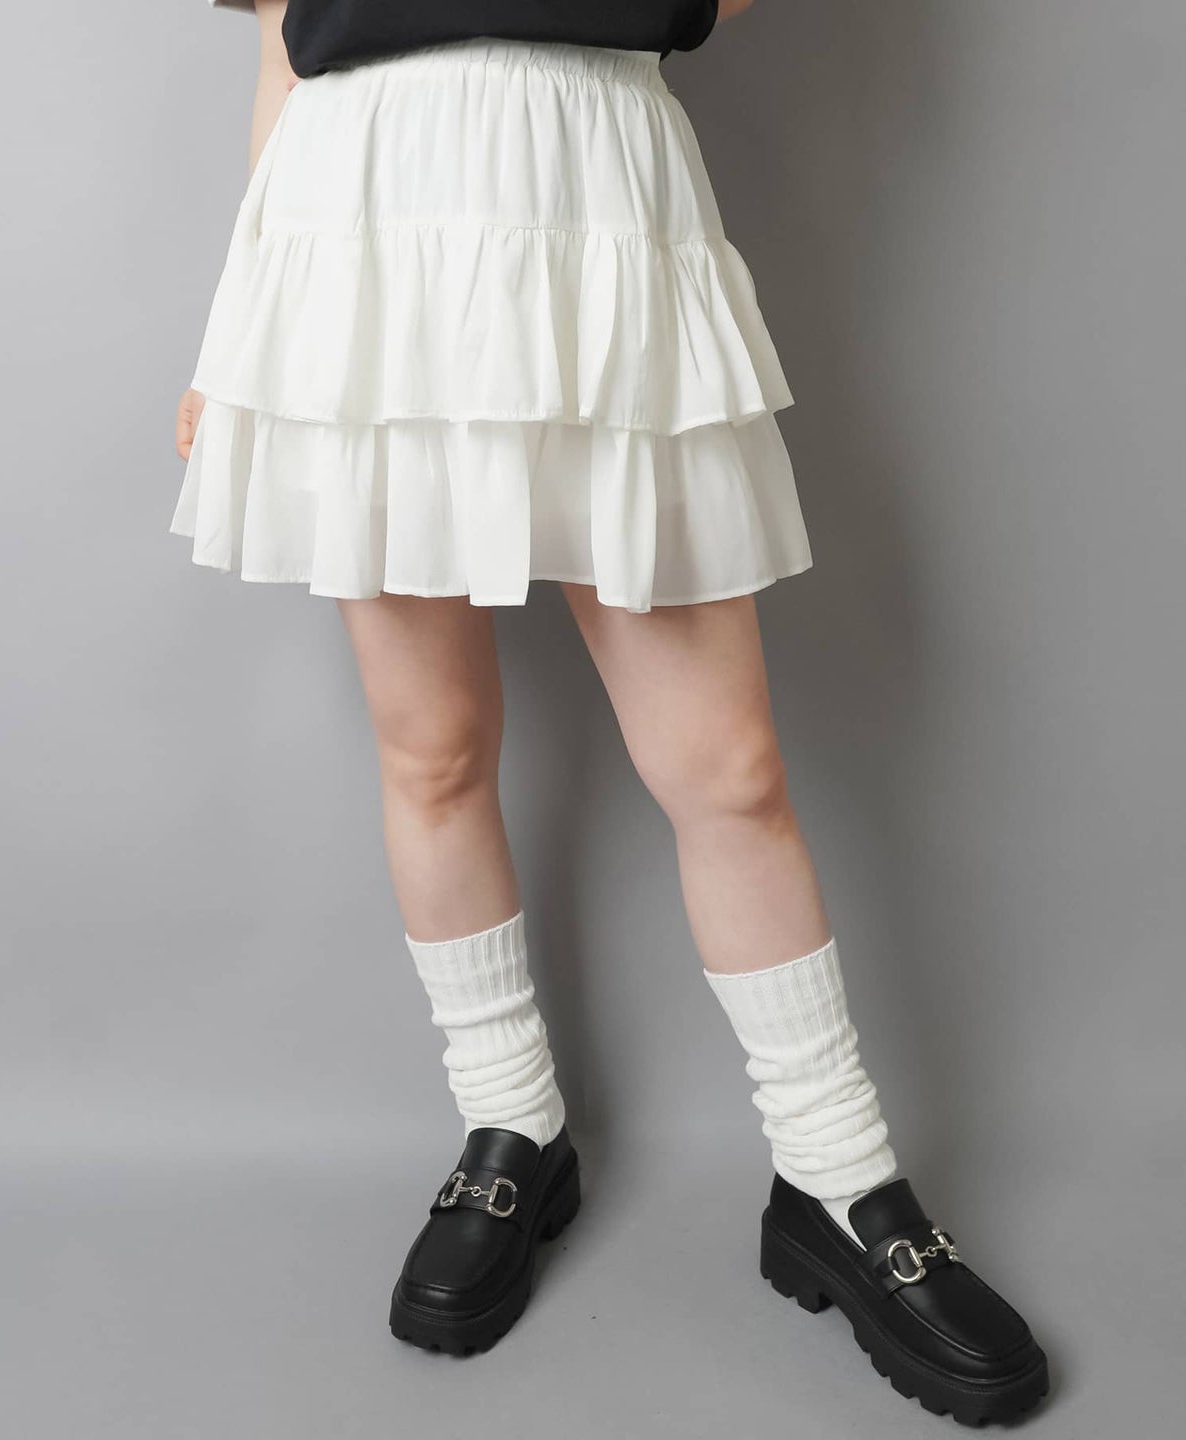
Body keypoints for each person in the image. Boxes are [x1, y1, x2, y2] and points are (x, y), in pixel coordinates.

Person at [173, 1, 1048, 1424]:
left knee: (727, 769)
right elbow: (283, 27)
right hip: (357, 223)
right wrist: (237, 329)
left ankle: (837, 1178)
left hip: (596, 194)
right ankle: (510, 1123)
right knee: (433, 747)